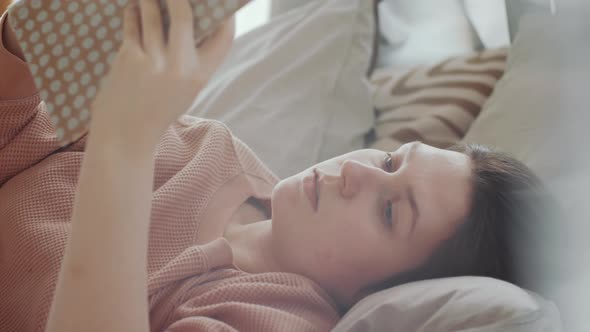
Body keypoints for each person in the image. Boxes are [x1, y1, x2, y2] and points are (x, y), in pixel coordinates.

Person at [0, 1, 546, 331]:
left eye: (388, 210)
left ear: (380, 292)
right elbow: (21, 139)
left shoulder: (276, 318)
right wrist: (28, 44)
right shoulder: (213, 150)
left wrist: (126, 145)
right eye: (389, 159)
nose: (358, 174)